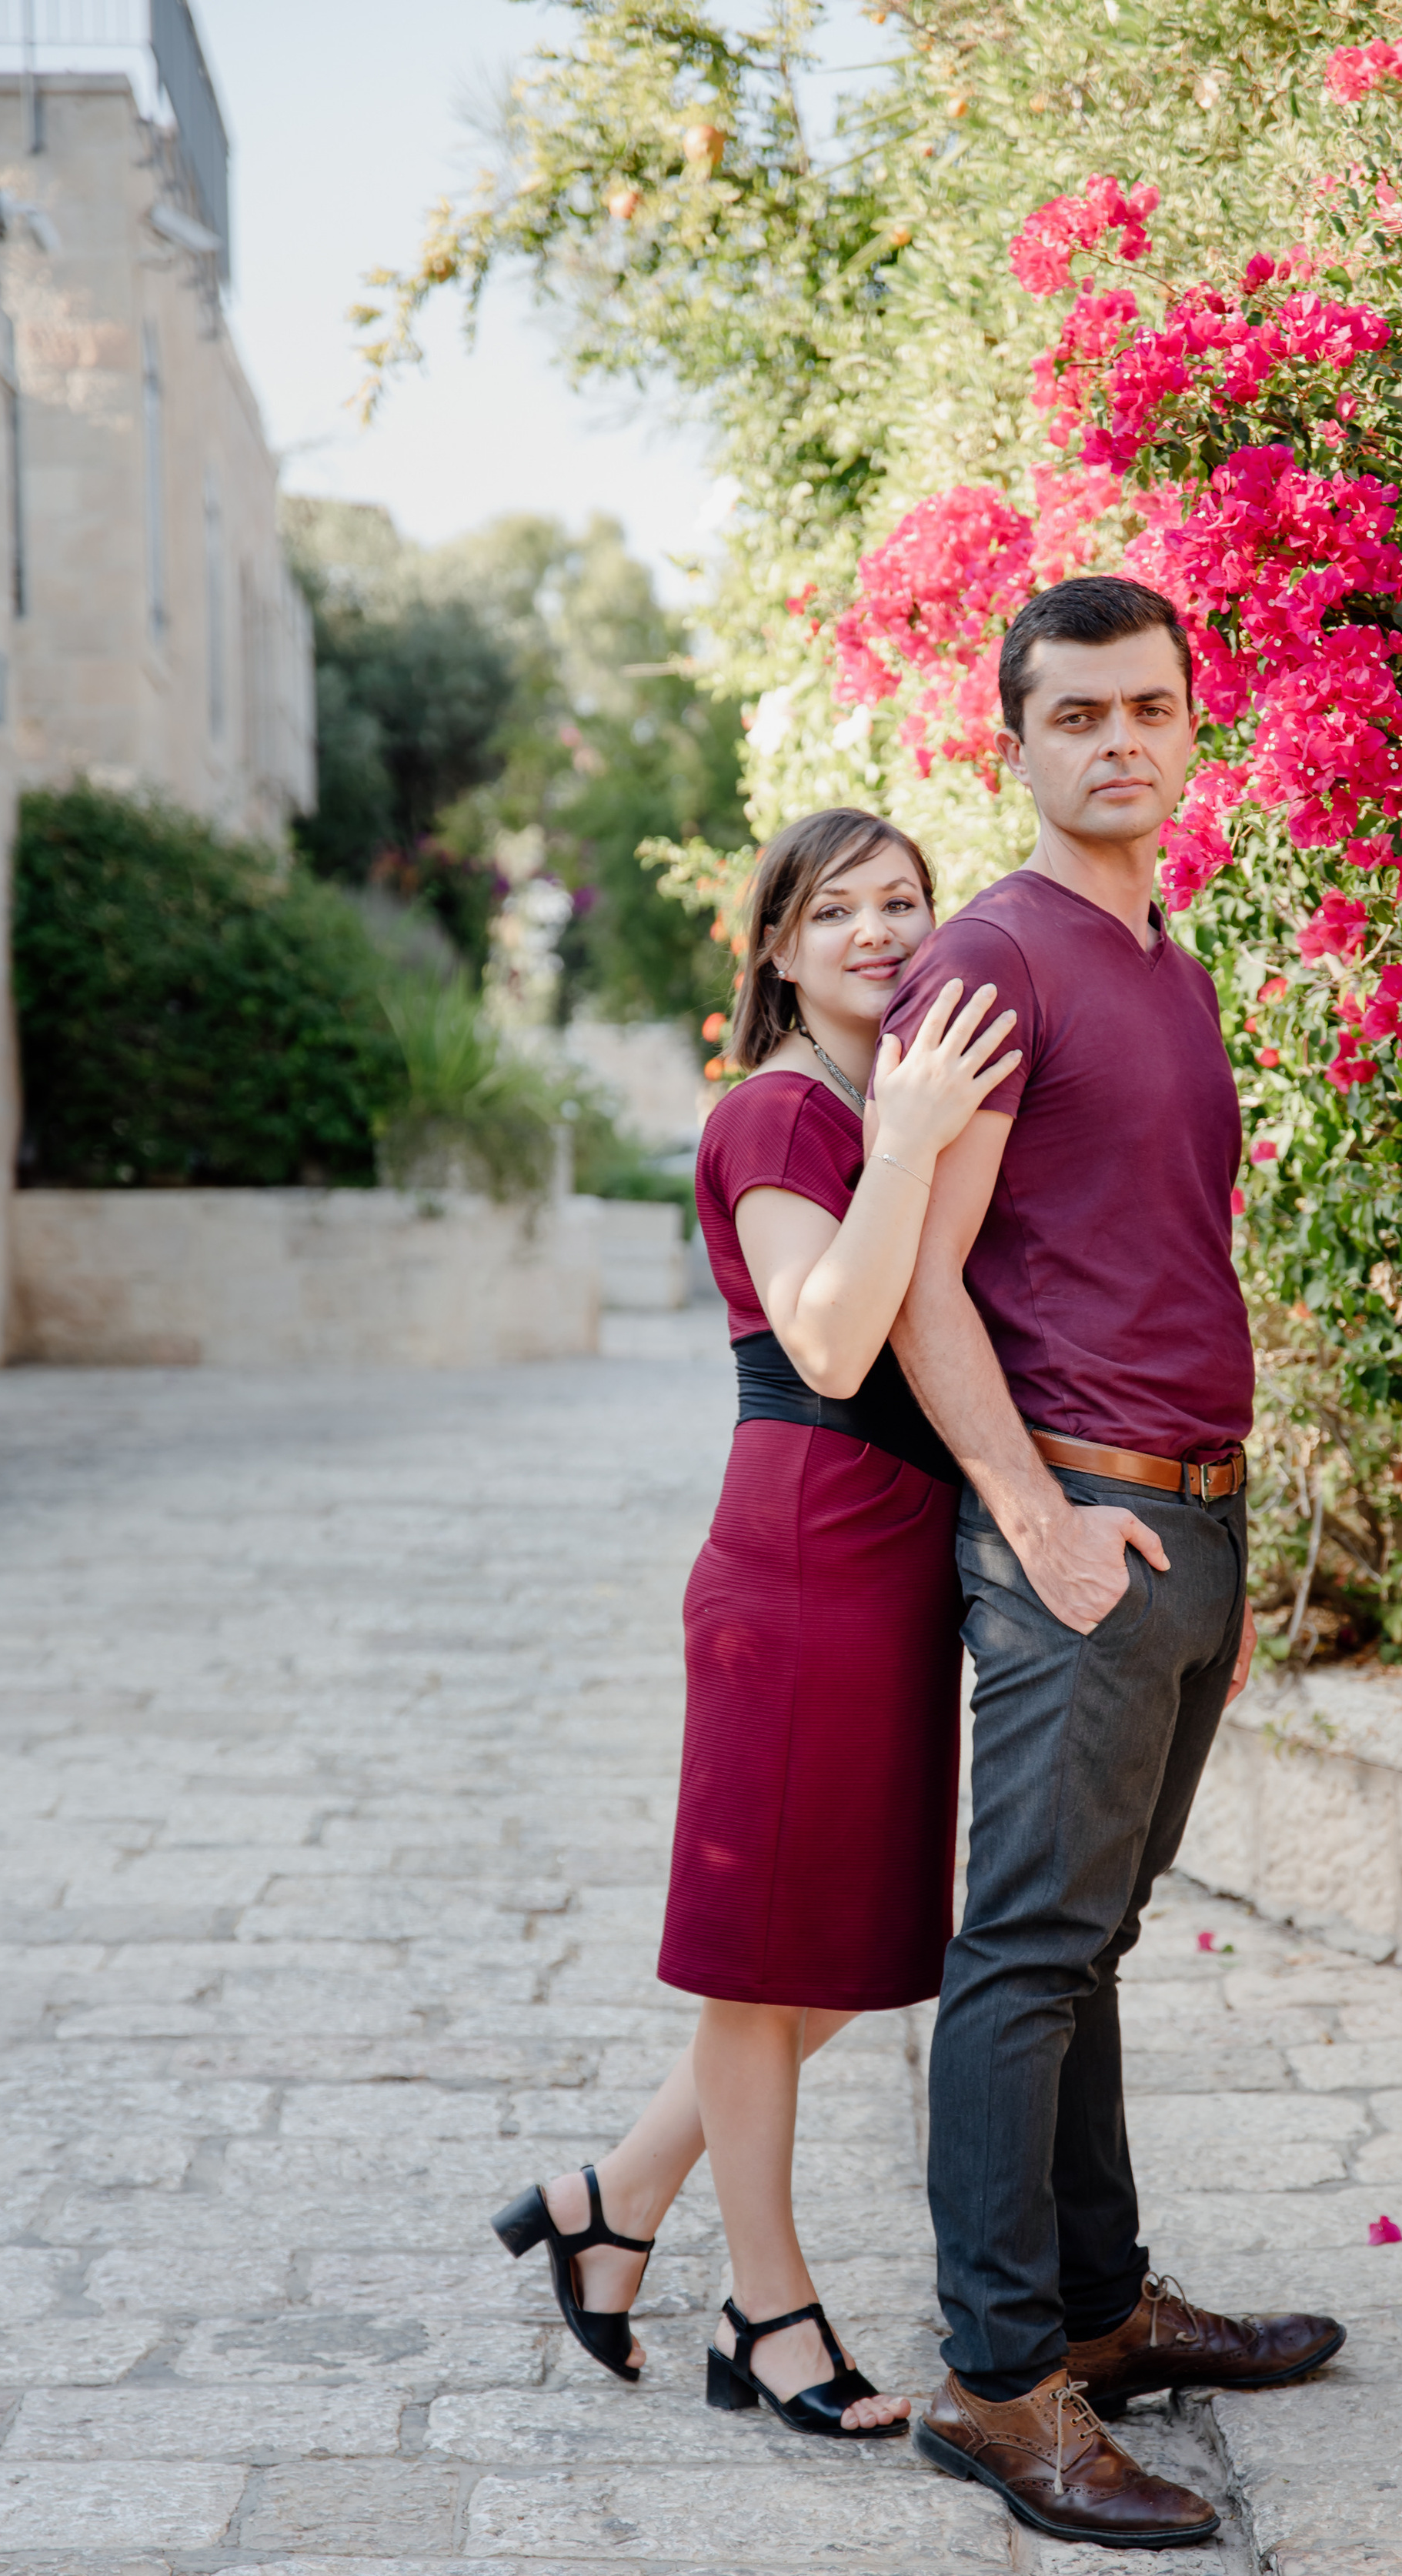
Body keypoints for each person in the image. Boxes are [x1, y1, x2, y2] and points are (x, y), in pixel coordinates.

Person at [880, 574, 1347, 2545]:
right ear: (1016, 742)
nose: (1118, 741)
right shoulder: (995, 964)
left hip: (1190, 1513)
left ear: (1187, 725)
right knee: (1024, 1952)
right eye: (1075, 714)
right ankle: (1002, 2385)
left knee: (1095, 1941)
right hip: (1076, 1513)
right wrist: (1035, 1516)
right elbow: (913, 1277)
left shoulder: (1163, 953)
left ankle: (1099, 2306)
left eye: (1148, 707)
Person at [495, 806, 1016, 2440]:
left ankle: (612, 2198)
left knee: (842, 1952)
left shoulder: (866, 1104)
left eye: (905, 902)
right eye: (839, 908)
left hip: (873, 1566)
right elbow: (836, 1339)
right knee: (763, 1960)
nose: (880, 929)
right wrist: (921, 1135)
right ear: (776, 949)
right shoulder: (783, 1116)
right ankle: (766, 2311)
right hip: (801, 1564)